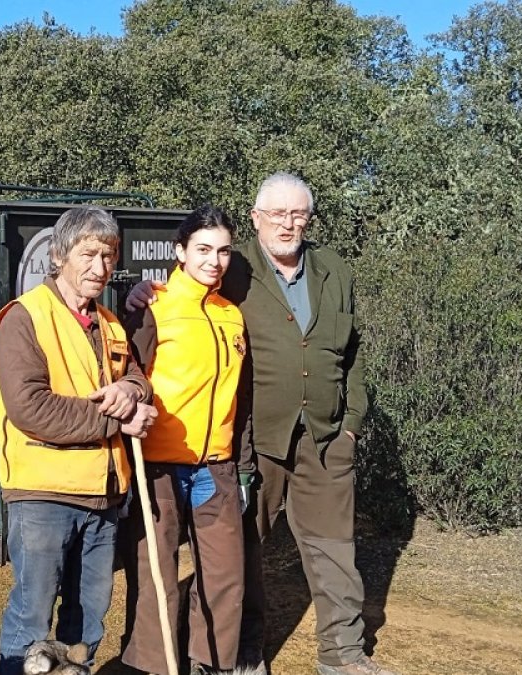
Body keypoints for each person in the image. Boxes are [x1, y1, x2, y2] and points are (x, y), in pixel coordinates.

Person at [127, 173, 397, 675]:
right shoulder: (236, 269)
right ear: (257, 218)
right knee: (242, 554)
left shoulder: (333, 270)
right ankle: (245, 652)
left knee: (335, 549)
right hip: (254, 439)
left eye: (298, 214)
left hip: (324, 435)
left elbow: (354, 351)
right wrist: (144, 290)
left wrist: (352, 422)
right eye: (277, 214)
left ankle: (343, 655)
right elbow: (183, 289)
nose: (288, 224)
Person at [0, 205, 158, 675]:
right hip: (43, 496)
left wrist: (131, 389)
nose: (100, 267)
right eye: (89, 254)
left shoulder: (107, 322)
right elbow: (31, 409)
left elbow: (138, 377)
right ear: (60, 254)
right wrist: (116, 422)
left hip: (103, 498)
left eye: (108, 256)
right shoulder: (23, 319)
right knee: (31, 623)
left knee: (86, 625)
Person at [119, 206, 255, 675]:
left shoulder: (231, 315)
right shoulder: (151, 306)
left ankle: (210, 663)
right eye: (203, 249)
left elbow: (242, 392)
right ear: (180, 251)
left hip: (215, 465)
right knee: (156, 577)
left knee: (223, 578)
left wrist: (240, 458)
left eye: (222, 251)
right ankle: (154, 666)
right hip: (158, 465)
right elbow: (128, 375)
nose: (214, 260)